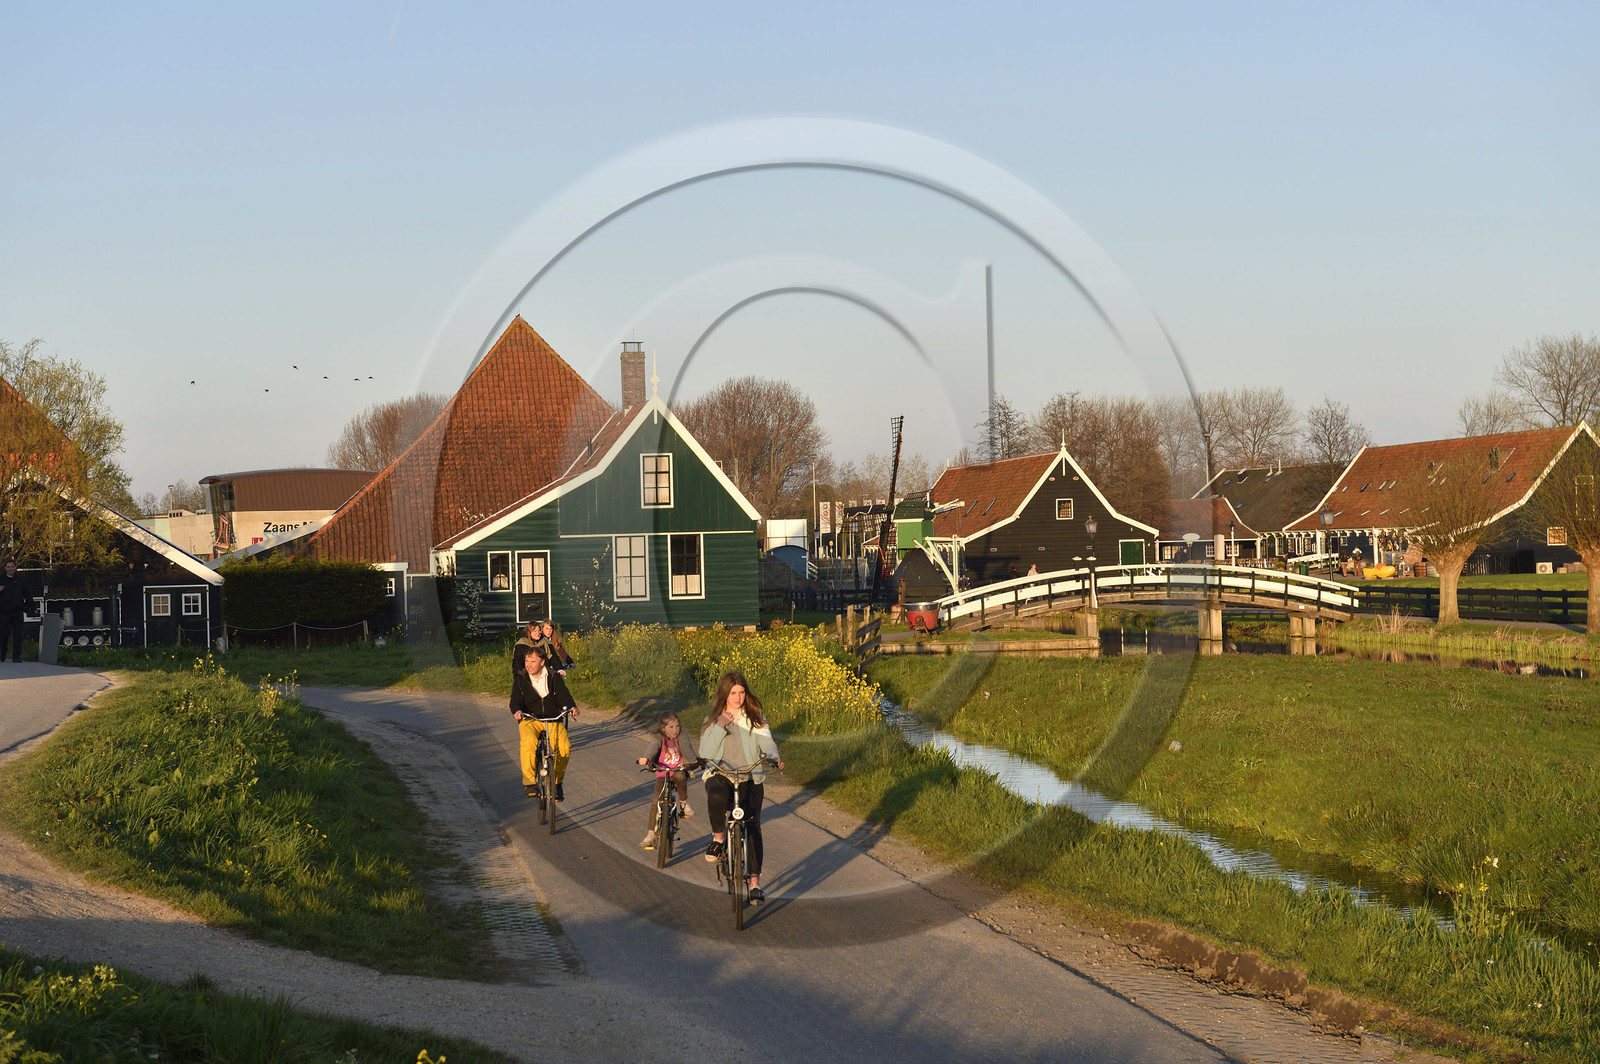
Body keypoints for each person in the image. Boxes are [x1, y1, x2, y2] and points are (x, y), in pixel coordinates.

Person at [699, 671, 783, 903]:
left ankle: (754, 884)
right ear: (724, 694)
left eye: (742, 692)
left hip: (750, 775)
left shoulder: (754, 717)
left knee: (753, 825)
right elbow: (704, 752)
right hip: (721, 774)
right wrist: (720, 726)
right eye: (733, 693)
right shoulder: (712, 720)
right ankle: (718, 841)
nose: (738, 697)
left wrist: (773, 757)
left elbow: (767, 741)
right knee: (715, 794)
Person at [510, 644, 579, 801]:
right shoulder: (521, 678)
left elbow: (564, 696)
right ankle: (529, 783)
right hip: (530, 718)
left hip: (553, 718)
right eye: (526, 661)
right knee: (528, 743)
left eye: (532, 661)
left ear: (542, 662)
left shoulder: (553, 677)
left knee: (564, 749)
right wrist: (517, 711)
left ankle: (556, 783)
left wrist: (572, 707)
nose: (528, 664)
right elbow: (515, 700)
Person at [635, 711, 698, 850]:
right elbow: (652, 749)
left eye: (677, 726)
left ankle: (683, 805)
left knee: (681, 776)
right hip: (662, 773)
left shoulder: (681, 736)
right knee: (656, 800)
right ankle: (650, 835)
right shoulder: (659, 738)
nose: (675, 730)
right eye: (671, 727)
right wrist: (645, 758)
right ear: (663, 728)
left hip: (677, 770)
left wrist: (695, 761)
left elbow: (687, 749)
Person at [0, 559, 37, 663]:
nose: (10, 568)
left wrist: (33, 608)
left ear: (15, 567)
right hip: (3, 612)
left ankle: (16, 657)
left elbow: (28, 594)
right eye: (8, 567)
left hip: (17, 611)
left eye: (12, 566)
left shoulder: (21, 580)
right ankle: (2, 655)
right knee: (3, 634)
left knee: (18, 634)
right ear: (5, 568)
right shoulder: (1, 579)